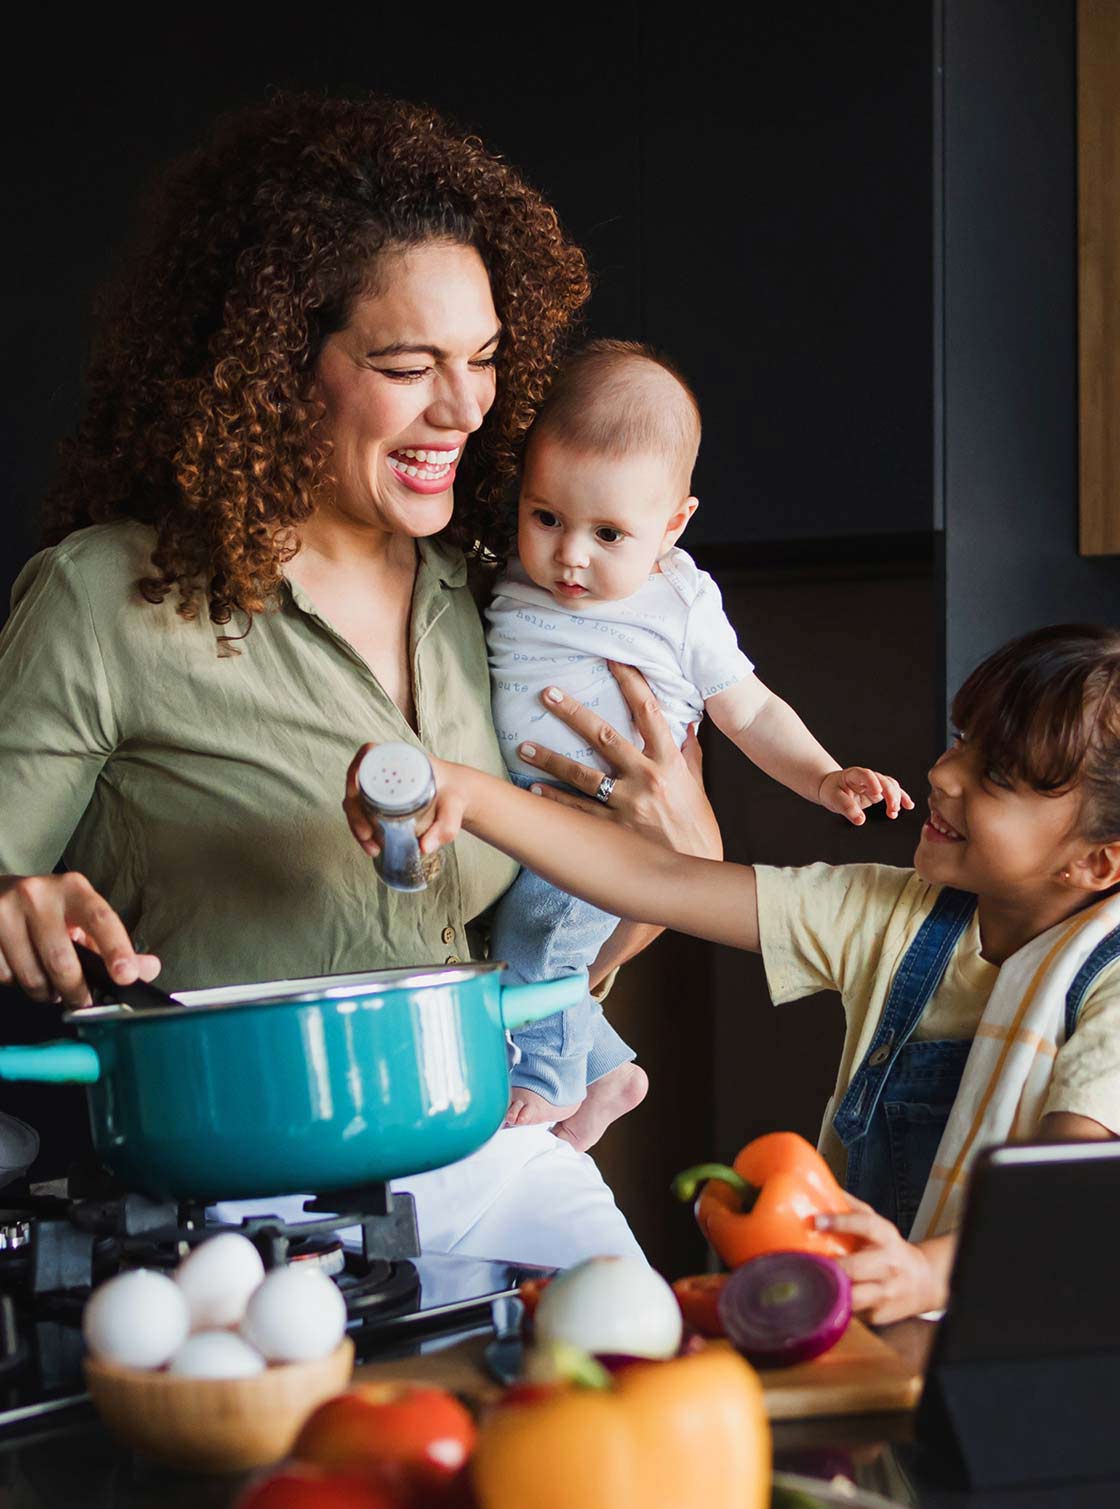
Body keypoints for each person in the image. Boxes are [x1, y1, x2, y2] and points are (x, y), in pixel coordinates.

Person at [0, 92, 720, 1267]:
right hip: (240, 1216)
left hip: (495, 1159)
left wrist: (668, 862)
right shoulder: (105, 600)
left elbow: (580, 930)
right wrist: (11, 898)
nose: (466, 408)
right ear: (279, 366)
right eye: (406, 364)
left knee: (660, 1407)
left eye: (484, 358)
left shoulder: (498, 595)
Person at [348, 625, 1120, 1321]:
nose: (946, 772)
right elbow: (660, 882)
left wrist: (926, 1274)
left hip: (1030, 1355)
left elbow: (1060, 1194)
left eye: (999, 776)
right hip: (881, 1328)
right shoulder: (896, 917)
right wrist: (470, 795)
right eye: (962, 739)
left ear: (1098, 861)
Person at [481, 340, 913, 1150]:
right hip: (529, 819)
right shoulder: (513, 571)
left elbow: (749, 713)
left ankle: (546, 1078)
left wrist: (823, 777)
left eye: (609, 534)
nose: (569, 555)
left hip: (601, 829)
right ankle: (606, 1070)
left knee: (534, 943)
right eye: (546, 517)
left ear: (673, 524)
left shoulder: (677, 604)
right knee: (528, 947)